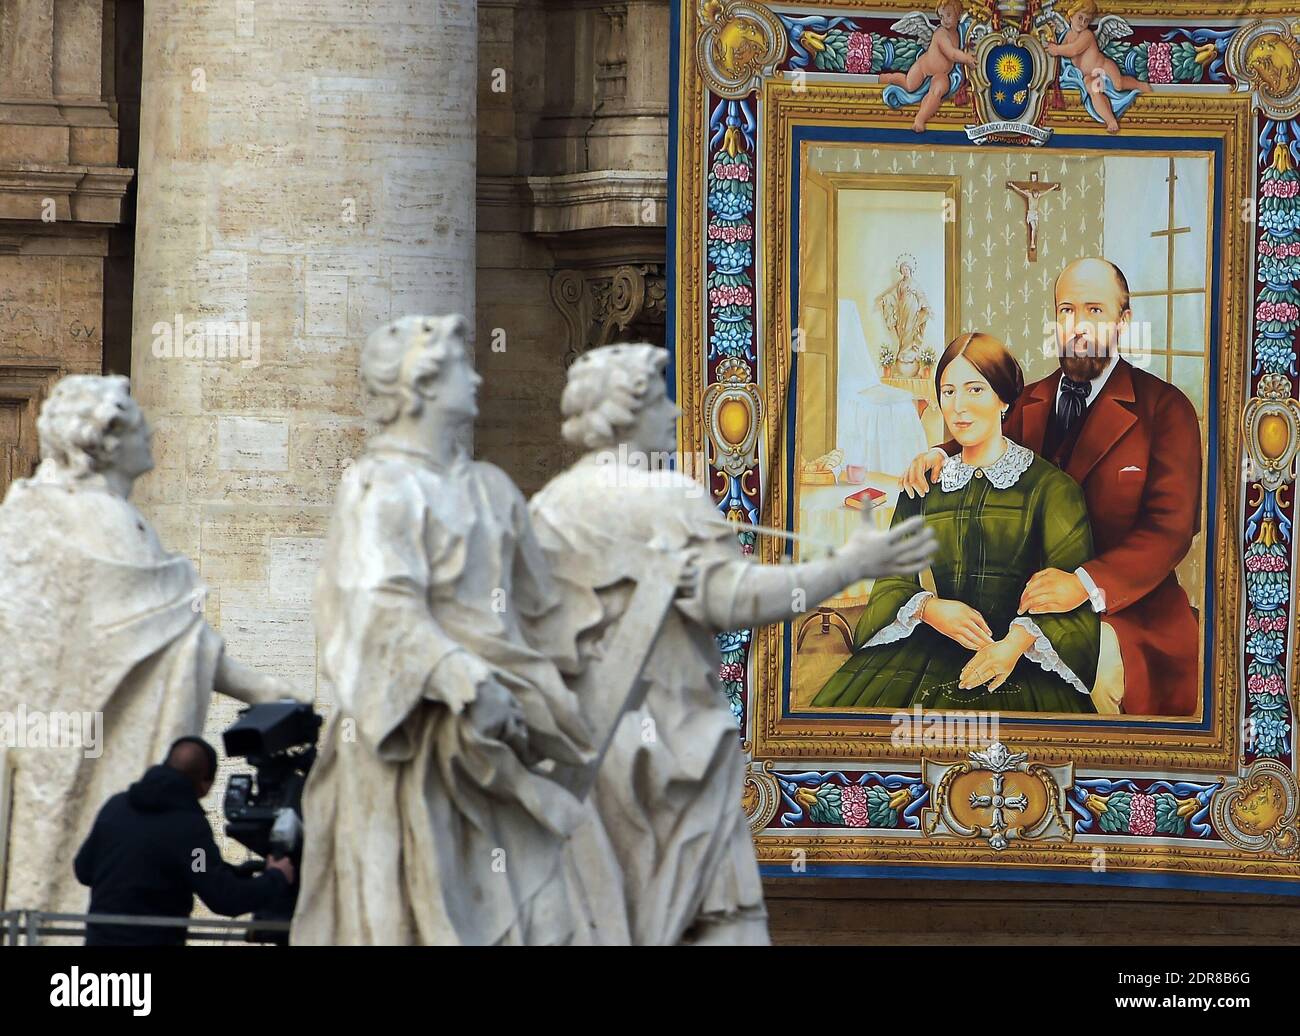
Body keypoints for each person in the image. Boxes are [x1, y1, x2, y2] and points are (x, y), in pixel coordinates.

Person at [529, 344, 937, 944]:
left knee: (604, 911)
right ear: (625, 412)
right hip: (672, 739)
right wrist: (849, 566)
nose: (674, 414)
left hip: (585, 741)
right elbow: (736, 599)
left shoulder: (547, 507)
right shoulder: (667, 500)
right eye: (660, 400)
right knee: (720, 916)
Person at [291, 315, 594, 946]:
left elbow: (548, 611)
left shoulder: (493, 490)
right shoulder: (382, 489)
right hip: (416, 740)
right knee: (421, 916)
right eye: (463, 367)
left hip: (502, 738)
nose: (481, 377)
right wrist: (463, 676)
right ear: (421, 384)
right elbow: (379, 607)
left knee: (548, 916)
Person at [0, 375, 299, 914]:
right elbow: (156, 630)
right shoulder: (96, 519)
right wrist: (264, 688)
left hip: (92, 738)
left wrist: (259, 685)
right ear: (108, 439)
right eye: (140, 423)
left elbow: (166, 632)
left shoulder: (117, 812)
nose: (152, 432)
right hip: (93, 731)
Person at [902, 258, 1202, 715]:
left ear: (1123, 322)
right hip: (1027, 600)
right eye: (1066, 310)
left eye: (1094, 311)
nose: (1077, 325)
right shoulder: (1030, 400)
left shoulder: (1165, 409)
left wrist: (1084, 584)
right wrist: (940, 453)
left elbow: (1171, 530)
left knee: (1087, 685)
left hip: (1125, 612)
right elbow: (987, 437)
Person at [813, 332, 1100, 713]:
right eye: (948, 392)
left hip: (1022, 657)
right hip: (929, 642)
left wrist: (1012, 646)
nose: (959, 407)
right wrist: (930, 609)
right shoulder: (923, 485)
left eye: (975, 390)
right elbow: (891, 581)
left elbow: (1071, 603)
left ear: (1003, 399)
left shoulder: (1052, 489)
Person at [73, 737, 294, 946]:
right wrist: (276, 877)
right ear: (205, 784)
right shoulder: (190, 829)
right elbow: (223, 897)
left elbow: (83, 870)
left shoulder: (116, 806)